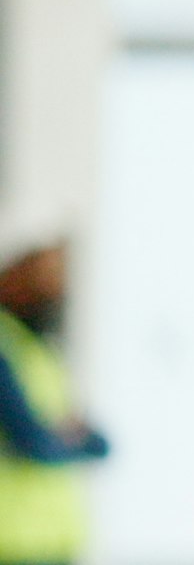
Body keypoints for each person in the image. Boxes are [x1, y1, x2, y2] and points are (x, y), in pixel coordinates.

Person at [0, 241, 109, 565]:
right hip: (15, 540)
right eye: (46, 282)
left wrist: (65, 438)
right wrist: (68, 438)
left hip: (57, 540)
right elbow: (35, 442)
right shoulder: (6, 347)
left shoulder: (42, 350)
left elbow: (100, 443)